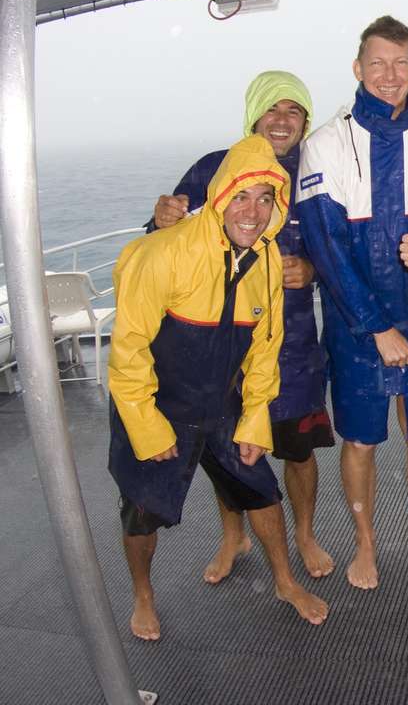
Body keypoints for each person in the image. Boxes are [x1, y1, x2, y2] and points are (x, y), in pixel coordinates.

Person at [108, 135, 329, 640]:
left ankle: (284, 582)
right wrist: (146, 427)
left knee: (261, 490)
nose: (252, 212)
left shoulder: (266, 260)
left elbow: (266, 348)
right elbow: (127, 351)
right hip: (157, 404)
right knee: (141, 512)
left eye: (265, 199)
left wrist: (254, 419)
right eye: (241, 196)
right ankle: (143, 596)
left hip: (221, 402)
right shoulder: (161, 253)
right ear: (220, 195)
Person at [295, 16, 408, 588]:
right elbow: (325, 248)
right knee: (360, 439)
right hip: (355, 326)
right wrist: (375, 327)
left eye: (401, 62)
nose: (390, 75)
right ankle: (365, 543)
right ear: (358, 68)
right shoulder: (326, 144)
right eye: (377, 63)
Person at [147, 70, 335, 582]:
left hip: (293, 345)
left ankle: (305, 533)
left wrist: (313, 270)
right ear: (253, 115)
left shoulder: (319, 173)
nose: (282, 120)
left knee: (298, 449)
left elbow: (342, 247)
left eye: (294, 111)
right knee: (227, 452)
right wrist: (160, 219)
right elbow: (165, 241)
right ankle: (234, 535)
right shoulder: (214, 168)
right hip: (222, 345)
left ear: (306, 121)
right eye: (272, 109)